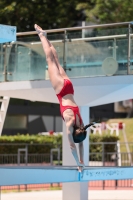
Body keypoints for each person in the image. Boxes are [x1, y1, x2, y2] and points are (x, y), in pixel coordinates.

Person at [34, 24, 95, 172]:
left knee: (56, 60)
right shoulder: (70, 122)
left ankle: (47, 38)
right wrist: (77, 162)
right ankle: (42, 36)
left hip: (69, 86)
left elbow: (80, 143)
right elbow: (72, 146)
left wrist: (81, 162)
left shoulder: (81, 124)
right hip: (61, 90)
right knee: (50, 60)